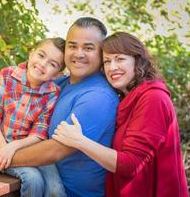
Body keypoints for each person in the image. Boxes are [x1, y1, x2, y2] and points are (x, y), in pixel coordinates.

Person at [0, 17, 120, 197]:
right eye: (72, 46)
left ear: (101, 53)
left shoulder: (98, 97)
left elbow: (55, 150)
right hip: (39, 183)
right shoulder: (56, 85)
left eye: (88, 48)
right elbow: (2, 113)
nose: (78, 53)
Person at [53, 32, 189, 197]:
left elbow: (132, 165)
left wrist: (80, 142)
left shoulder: (153, 98)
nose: (112, 67)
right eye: (107, 61)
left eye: (120, 59)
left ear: (137, 60)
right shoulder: (126, 98)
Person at [0, 37, 67, 197]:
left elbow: (39, 132)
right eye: (41, 55)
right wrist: (1, 146)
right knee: (33, 180)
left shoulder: (53, 92)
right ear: (31, 53)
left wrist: (13, 147)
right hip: (0, 145)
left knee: (55, 190)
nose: (43, 64)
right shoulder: (7, 75)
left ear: (58, 74)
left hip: (30, 149)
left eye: (52, 64)